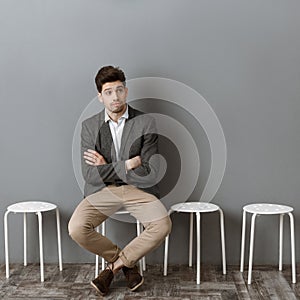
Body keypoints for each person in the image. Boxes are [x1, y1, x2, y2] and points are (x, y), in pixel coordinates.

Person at [68, 65, 172, 296]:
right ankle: (128, 264)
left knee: (163, 224)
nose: (115, 97)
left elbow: (150, 171)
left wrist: (106, 166)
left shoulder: (146, 122)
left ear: (126, 91)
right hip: (102, 191)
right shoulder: (90, 127)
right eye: (108, 92)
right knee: (76, 228)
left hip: (139, 189)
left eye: (119, 90)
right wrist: (127, 164)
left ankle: (113, 268)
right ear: (99, 96)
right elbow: (90, 175)